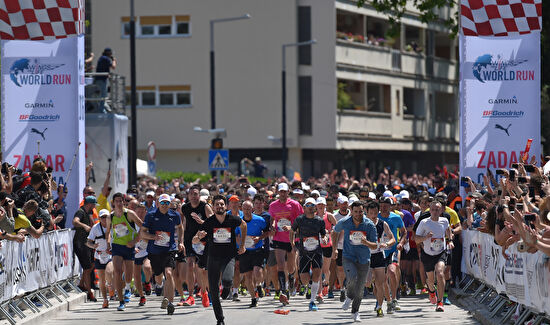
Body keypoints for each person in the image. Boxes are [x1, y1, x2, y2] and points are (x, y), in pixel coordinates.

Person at [193, 194, 246, 325]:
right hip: (213, 257)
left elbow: (243, 226)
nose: (219, 206)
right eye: (217, 204)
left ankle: (227, 288)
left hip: (229, 256)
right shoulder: (209, 222)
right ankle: (220, 319)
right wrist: (199, 236)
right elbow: (194, 240)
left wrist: (243, 245)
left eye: (222, 204)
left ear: (226, 206)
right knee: (214, 290)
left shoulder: (232, 219)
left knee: (228, 280)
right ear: (213, 207)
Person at [139, 193, 184, 315]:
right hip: (154, 250)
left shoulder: (174, 215)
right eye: (162, 202)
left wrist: (181, 242)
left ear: (170, 204)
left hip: (169, 249)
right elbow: (142, 233)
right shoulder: (151, 215)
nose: (164, 205)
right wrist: (153, 237)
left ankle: (170, 302)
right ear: (158, 203)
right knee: (158, 276)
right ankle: (159, 284)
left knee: (169, 273)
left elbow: (180, 227)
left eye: (167, 203)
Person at [332, 200, 377, 322]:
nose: (358, 214)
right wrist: (335, 249)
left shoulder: (369, 225)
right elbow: (334, 232)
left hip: (364, 259)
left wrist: (366, 242)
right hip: (348, 257)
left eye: (360, 212)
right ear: (351, 211)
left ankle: (355, 311)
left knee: (360, 288)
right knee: (352, 278)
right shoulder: (345, 222)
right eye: (355, 211)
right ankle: (349, 296)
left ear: (364, 212)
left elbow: (375, 245)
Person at [415, 199, 453, 312]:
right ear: (429, 210)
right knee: (430, 280)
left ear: (441, 210)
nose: (435, 212)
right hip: (427, 254)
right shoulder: (424, 222)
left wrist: (450, 240)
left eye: (437, 210)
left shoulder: (444, 220)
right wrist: (425, 237)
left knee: (440, 273)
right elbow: (416, 239)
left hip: (441, 252)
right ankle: (431, 292)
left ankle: (440, 302)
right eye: (433, 210)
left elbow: (448, 230)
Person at [289, 197, 327, 311]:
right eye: (308, 206)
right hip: (304, 252)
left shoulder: (319, 221)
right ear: (304, 207)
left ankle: (312, 301)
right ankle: (309, 283)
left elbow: (323, 234)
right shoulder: (300, 220)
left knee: (317, 275)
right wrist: (292, 244)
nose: (311, 208)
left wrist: (324, 239)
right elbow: (292, 231)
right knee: (305, 280)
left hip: (316, 251)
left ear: (315, 207)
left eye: (312, 206)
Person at [106, 192, 143, 311]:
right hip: (117, 246)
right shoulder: (110, 217)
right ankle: (121, 301)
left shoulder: (130, 214)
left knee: (128, 273)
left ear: (124, 202)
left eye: (121, 201)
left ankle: (127, 287)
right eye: (116, 201)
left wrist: (134, 241)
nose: (119, 203)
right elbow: (108, 232)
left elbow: (143, 226)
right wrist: (108, 243)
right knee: (117, 271)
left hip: (129, 247)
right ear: (113, 203)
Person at [269, 183, 303, 304]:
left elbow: (301, 221)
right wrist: (272, 227)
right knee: (281, 266)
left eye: (285, 191)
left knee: (291, 267)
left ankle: (292, 277)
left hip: (292, 238)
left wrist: (291, 228)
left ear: (288, 192)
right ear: (278, 192)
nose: (283, 194)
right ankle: (284, 290)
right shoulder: (273, 205)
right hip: (278, 238)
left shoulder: (295, 205)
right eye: (281, 191)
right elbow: (272, 220)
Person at [181, 185, 213, 306]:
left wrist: (202, 222)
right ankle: (190, 296)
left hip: (204, 240)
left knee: (204, 270)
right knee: (190, 264)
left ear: (199, 195)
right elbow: (184, 223)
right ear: (188, 196)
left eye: (196, 194)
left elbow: (213, 223)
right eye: (192, 194)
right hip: (190, 240)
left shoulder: (205, 207)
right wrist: (182, 241)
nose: (194, 197)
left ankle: (206, 293)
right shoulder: (185, 208)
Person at [365, 200, 395, 317]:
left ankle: (379, 307)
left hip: (378, 255)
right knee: (367, 283)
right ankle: (372, 285)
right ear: (366, 213)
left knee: (380, 283)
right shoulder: (363, 224)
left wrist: (387, 244)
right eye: (370, 213)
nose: (373, 215)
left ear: (378, 212)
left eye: (375, 212)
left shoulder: (382, 224)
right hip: (366, 256)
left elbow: (392, 238)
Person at [237, 200, 268, 307]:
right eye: (244, 209)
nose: (246, 211)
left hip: (257, 249)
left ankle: (259, 285)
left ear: (252, 209)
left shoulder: (260, 220)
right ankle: (253, 298)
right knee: (248, 277)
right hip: (245, 251)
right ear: (242, 209)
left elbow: (267, 232)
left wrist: (259, 238)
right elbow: (235, 235)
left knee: (257, 271)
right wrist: (240, 241)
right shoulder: (239, 222)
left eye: (248, 209)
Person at [378, 196, 406, 313]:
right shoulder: (376, 218)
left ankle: (394, 298)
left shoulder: (396, 218)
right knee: (382, 278)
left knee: (392, 271)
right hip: (379, 251)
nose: (384, 208)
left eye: (386, 206)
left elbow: (404, 232)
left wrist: (401, 242)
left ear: (391, 207)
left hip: (393, 249)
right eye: (382, 205)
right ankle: (388, 299)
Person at [86, 209, 114, 309]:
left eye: (106, 217)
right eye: (102, 217)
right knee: (101, 280)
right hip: (99, 255)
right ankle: (105, 300)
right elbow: (88, 242)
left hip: (110, 255)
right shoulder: (95, 228)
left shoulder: (112, 227)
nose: (104, 219)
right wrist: (93, 246)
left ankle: (110, 285)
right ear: (99, 218)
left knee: (109, 272)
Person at [73, 196, 97, 301]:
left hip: (86, 243)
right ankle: (89, 292)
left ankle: (82, 284)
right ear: (90, 204)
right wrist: (84, 226)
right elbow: (75, 221)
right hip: (80, 243)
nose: (95, 206)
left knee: (91, 265)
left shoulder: (88, 213)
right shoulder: (81, 212)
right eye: (94, 204)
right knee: (87, 268)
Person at [315, 196, 337, 300]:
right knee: (318, 269)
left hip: (327, 244)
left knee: (325, 269)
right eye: (319, 204)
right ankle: (319, 292)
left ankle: (326, 283)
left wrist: (330, 231)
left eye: (322, 205)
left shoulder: (329, 216)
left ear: (325, 206)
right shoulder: (313, 216)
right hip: (317, 245)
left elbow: (337, 227)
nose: (320, 206)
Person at [332, 195, 350, 301]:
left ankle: (349, 286)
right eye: (342, 203)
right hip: (340, 246)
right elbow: (334, 233)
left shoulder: (353, 214)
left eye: (346, 203)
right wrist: (334, 248)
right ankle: (342, 289)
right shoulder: (335, 216)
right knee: (340, 268)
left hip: (351, 246)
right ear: (338, 204)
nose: (344, 205)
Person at [94, 47, 116, 112]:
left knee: (99, 95)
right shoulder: (105, 58)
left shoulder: (102, 58)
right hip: (102, 80)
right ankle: (101, 110)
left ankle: (101, 109)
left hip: (99, 79)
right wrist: (114, 60)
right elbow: (113, 66)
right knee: (102, 96)